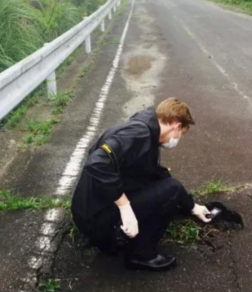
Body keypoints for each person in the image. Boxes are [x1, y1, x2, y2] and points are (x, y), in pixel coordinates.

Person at [71, 98, 211, 271]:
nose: (177, 139)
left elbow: (155, 174)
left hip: (88, 211)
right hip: (95, 222)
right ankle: (141, 255)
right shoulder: (138, 133)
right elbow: (96, 162)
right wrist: (124, 207)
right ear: (175, 125)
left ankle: (121, 233)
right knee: (171, 189)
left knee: (167, 184)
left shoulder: (146, 129)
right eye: (180, 133)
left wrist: (192, 206)